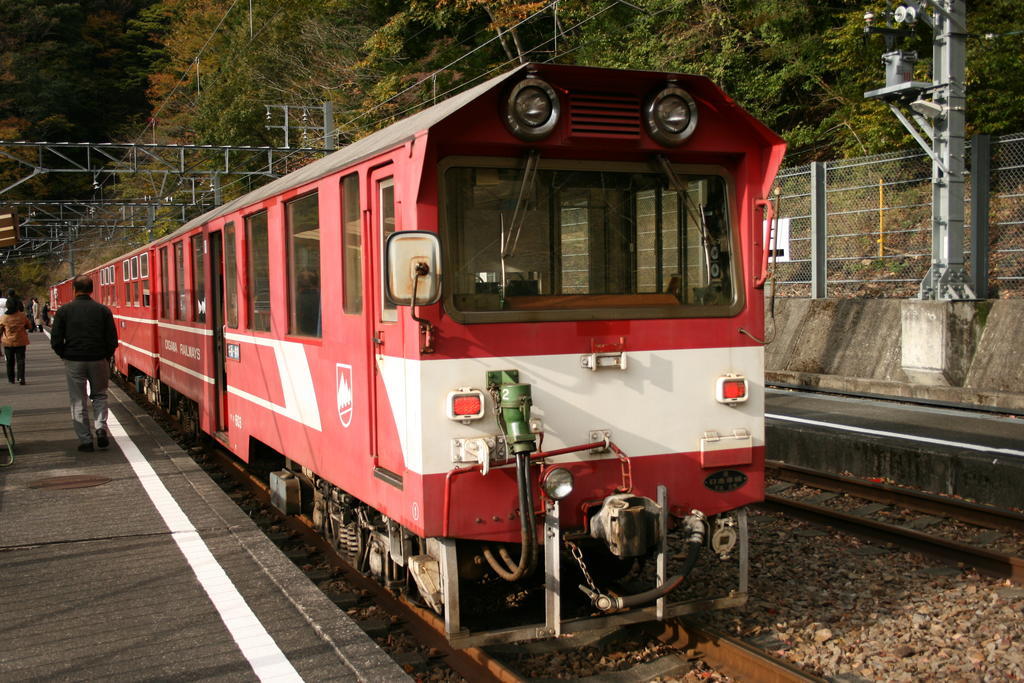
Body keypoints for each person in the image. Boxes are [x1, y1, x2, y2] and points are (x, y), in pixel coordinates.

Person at [50, 275, 119, 452]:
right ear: (92, 290)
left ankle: (86, 440)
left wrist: (64, 354)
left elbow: (56, 339)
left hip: (74, 360)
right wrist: (105, 355)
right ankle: (101, 429)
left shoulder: (64, 311)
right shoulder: (103, 310)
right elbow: (112, 339)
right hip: (98, 359)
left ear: (74, 289)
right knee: (100, 395)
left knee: (78, 399)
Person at [1, 297, 30, 385]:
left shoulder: (4, 318)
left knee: (10, 361)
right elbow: (29, 326)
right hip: (21, 341)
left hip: (8, 343)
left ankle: (11, 378)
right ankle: (21, 378)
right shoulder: (22, 315)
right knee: (21, 360)